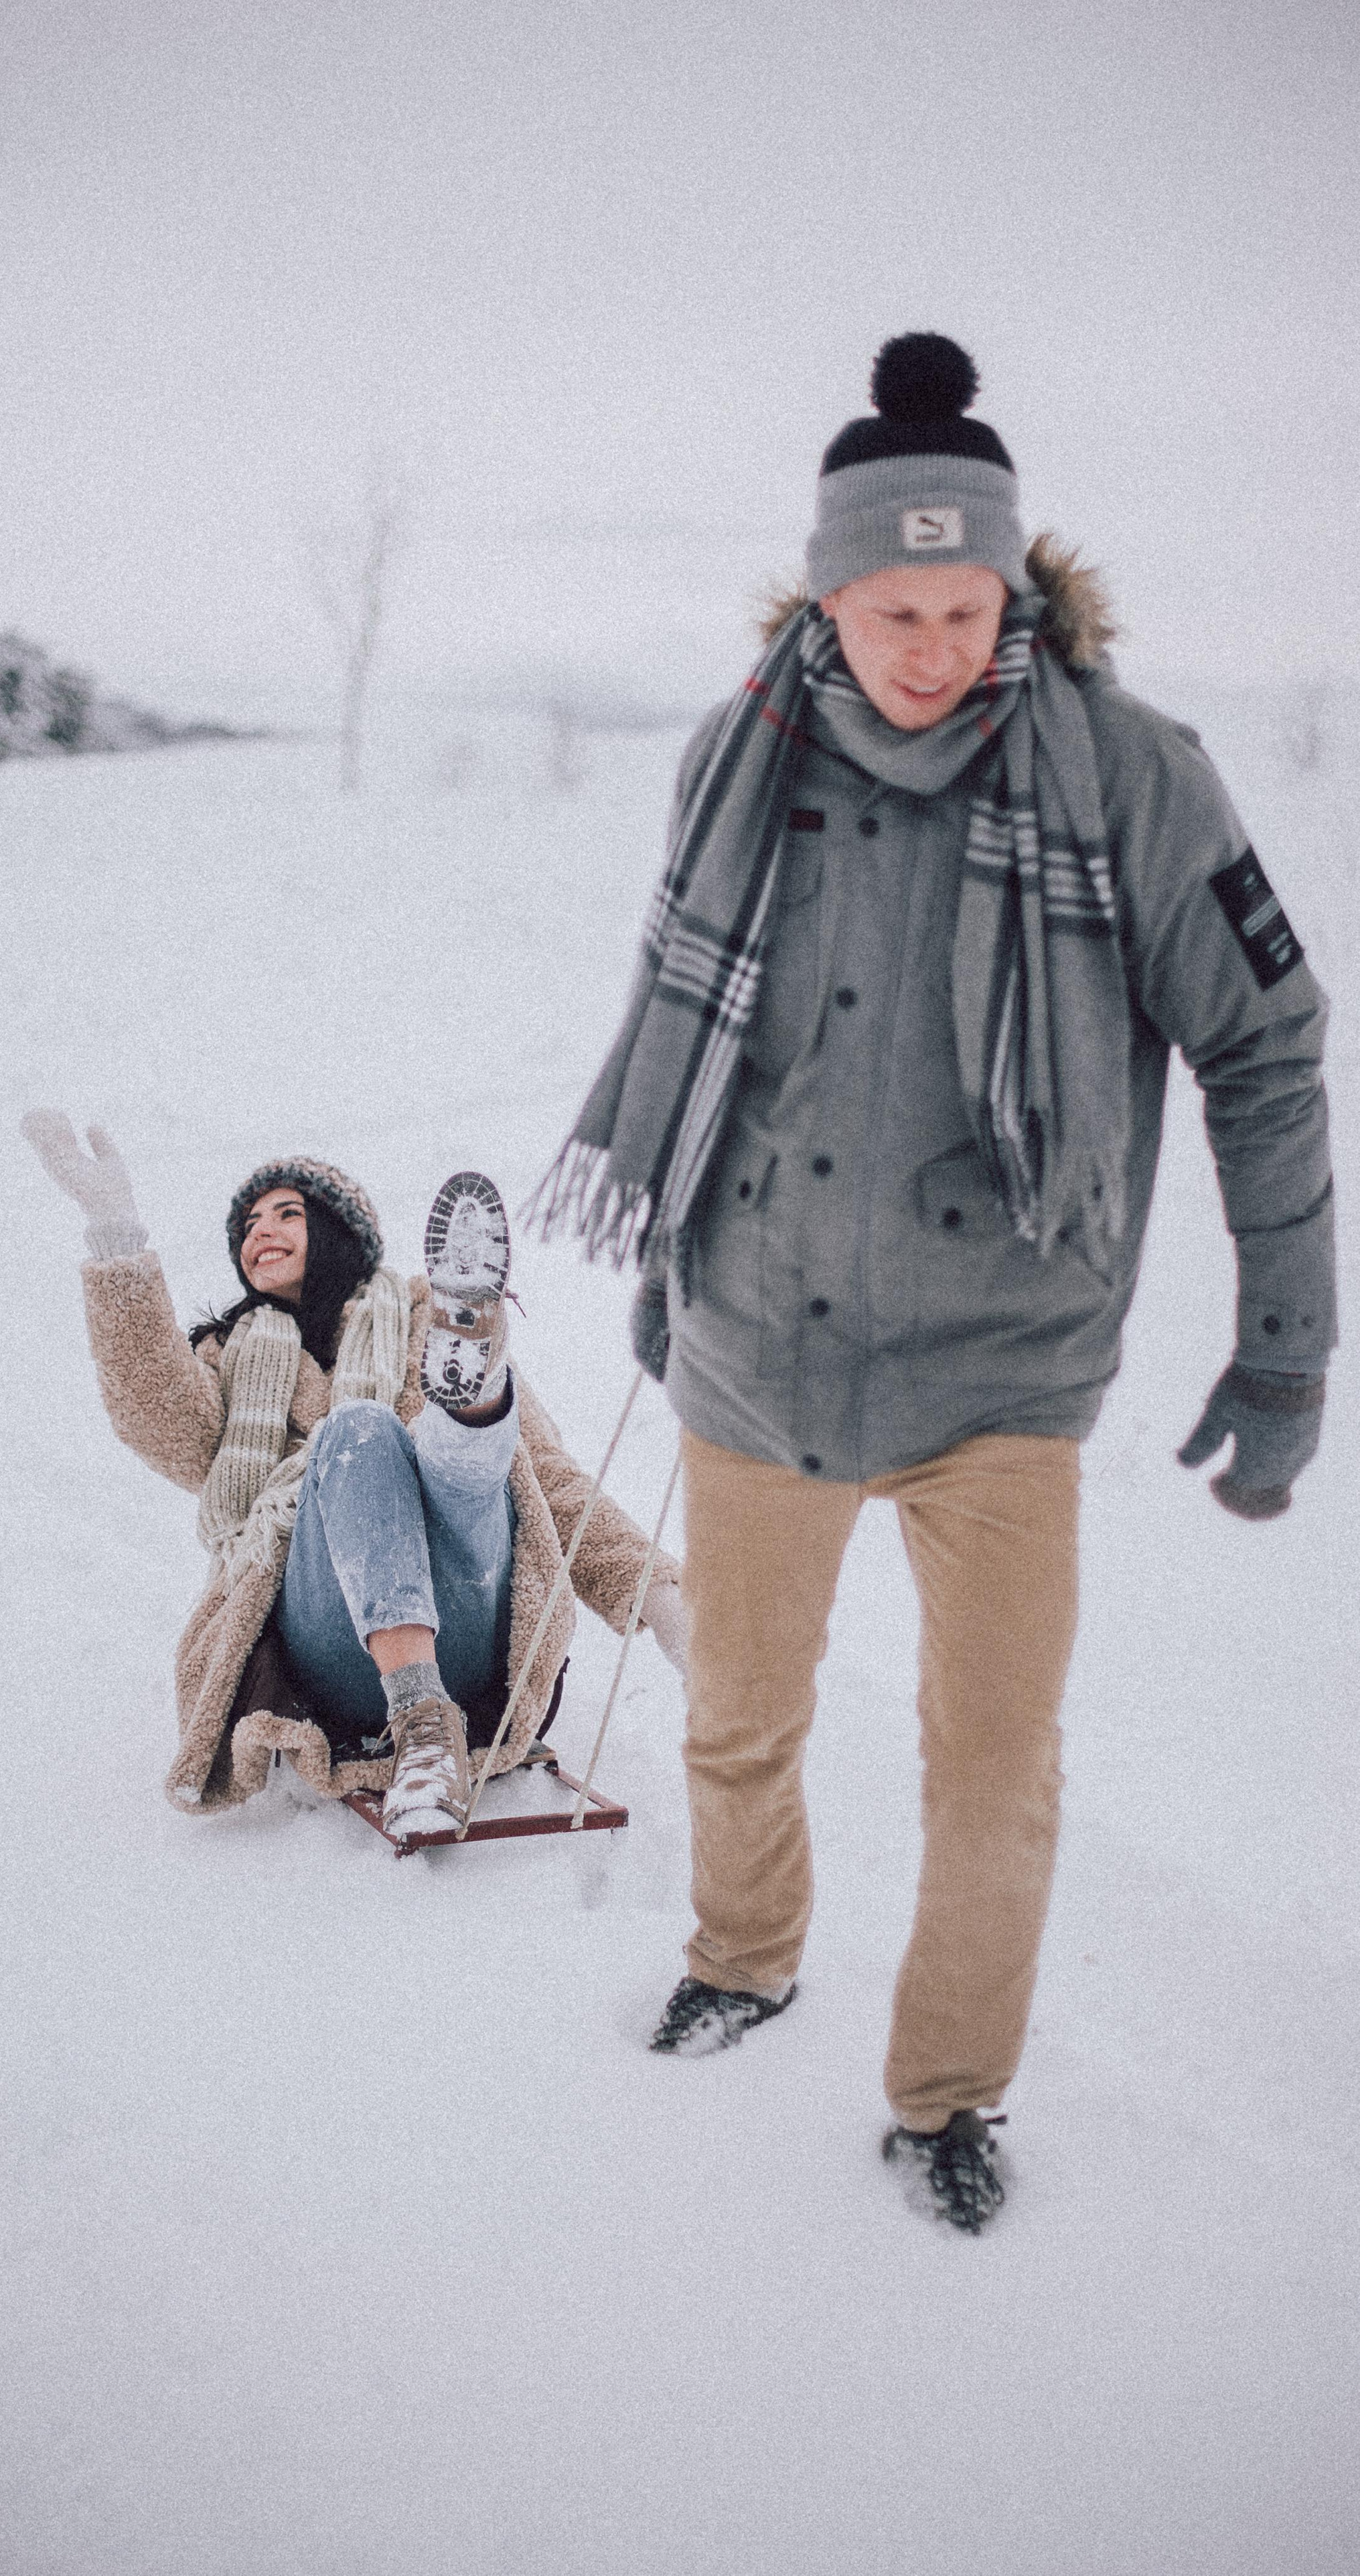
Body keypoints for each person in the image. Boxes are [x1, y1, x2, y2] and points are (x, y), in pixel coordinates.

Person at [533, 334, 1335, 2230]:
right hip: (760, 1346)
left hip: (1003, 1370)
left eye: (967, 604)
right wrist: (673, 1264)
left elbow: (1270, 1045)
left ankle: (947, 2092)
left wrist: (1287, 1347)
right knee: (738, 1717)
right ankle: (744, 1956)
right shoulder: (740, 753)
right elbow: (700, 1029)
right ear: (826, 591)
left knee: (992, 1775)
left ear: (1015, 584)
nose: (931, 645)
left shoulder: (1133, 776)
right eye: (892, 607)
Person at [21, 1119, 688, 1836]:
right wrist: (116, 1235)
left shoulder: (414, 1325)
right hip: (333, 1656)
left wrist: (670, 1611)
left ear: (340, 1231)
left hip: (470, 1619)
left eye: (287, 1213)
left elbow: (551, 1485)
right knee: (358, 1432)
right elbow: (152, 1411)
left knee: (469, 1465)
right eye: (248, 1223)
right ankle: (419, 1717)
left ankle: (469, 1394)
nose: (260, 1231)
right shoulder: (227, 1367)